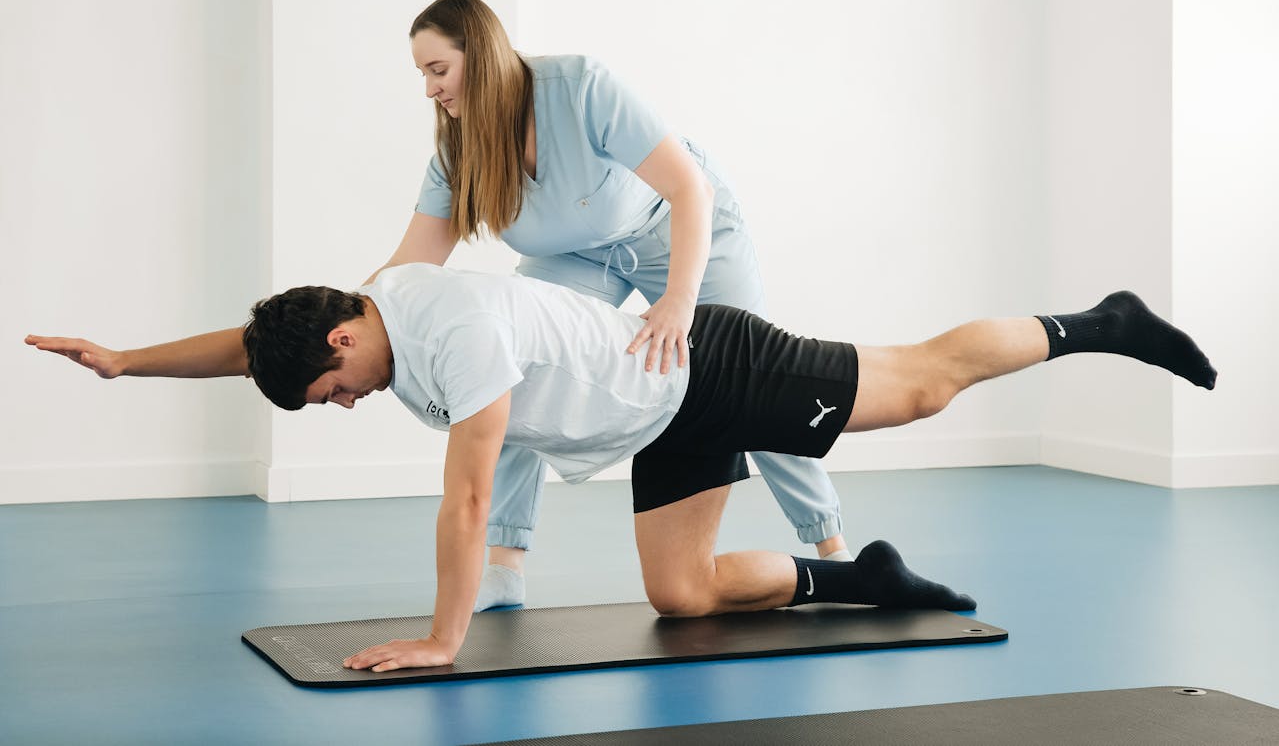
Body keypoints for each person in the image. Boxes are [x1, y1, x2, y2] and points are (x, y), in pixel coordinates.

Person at [45, 0, 854, 610]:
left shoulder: (578, 87)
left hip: (681, 227)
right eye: (422, 75)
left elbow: (687, 187)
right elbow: (370, 298)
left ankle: (829, 541)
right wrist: (128, 362)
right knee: (501, 372)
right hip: (576, 255)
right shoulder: (456, 153)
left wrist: (677, 300)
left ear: (484, 53)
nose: (430, 89)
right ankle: (504, 564)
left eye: (437, 69)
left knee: (752, 389)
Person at [27, 263, 1218, 671]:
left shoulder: (455, 332)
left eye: (330, 391)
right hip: (660, 416)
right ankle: (866, 579)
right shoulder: (361, 307)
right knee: (682, 595)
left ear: (344, 342)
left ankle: (1099, 323)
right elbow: (254, 343)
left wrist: (445, 638)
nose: (336, 406)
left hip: (714, 367)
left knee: (920, 383)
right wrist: (127, 361)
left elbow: (467, 492)